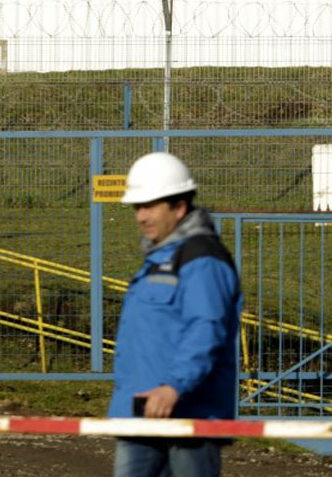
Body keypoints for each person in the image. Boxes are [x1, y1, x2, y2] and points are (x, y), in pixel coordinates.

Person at [109, 151, 243, 477]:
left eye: (150, 206)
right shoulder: (161, 258)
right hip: (142, 412)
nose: (141, 216)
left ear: (179, 207)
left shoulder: (202, 259)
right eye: (137, 207)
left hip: (188, 415)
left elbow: (206, 327)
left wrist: (174, 387)